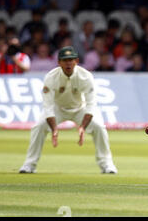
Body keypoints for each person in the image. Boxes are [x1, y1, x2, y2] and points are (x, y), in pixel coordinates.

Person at [19, 46, 118, 174]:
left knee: (99, 127)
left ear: (76, 61)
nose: (68, 63)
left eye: (71, 60)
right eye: (65, 60)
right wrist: (54, 128)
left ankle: (107, 164)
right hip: (57, 108)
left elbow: (91, 105)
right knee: (38, 127)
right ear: (59, 62)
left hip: (80, 108)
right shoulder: (51, 77)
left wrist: (82, 126)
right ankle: (29, 165)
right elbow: (48, 107)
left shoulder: (86, 76)